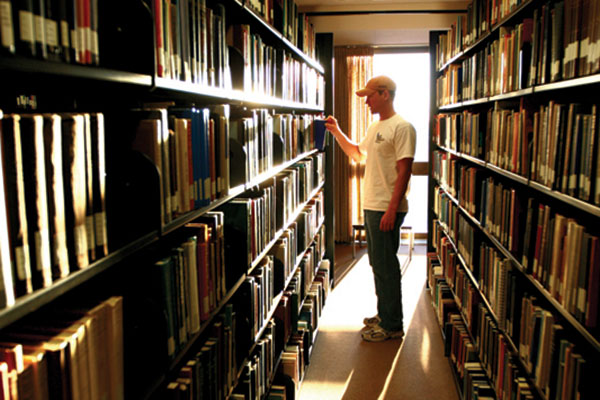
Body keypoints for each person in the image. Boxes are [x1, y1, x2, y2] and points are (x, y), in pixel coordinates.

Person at [324, 75, 416, 342]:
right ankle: (385, 313)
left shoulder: (402, 127)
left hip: (387, 208)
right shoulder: (375, 127)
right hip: (373, 206)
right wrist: (336, 131)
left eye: (370, 96)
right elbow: (356, 154)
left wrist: (391, 209)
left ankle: (393, 325)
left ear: (385, 94)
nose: (366, 101)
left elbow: (404, 171)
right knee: (377, 263)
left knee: (386, 265)